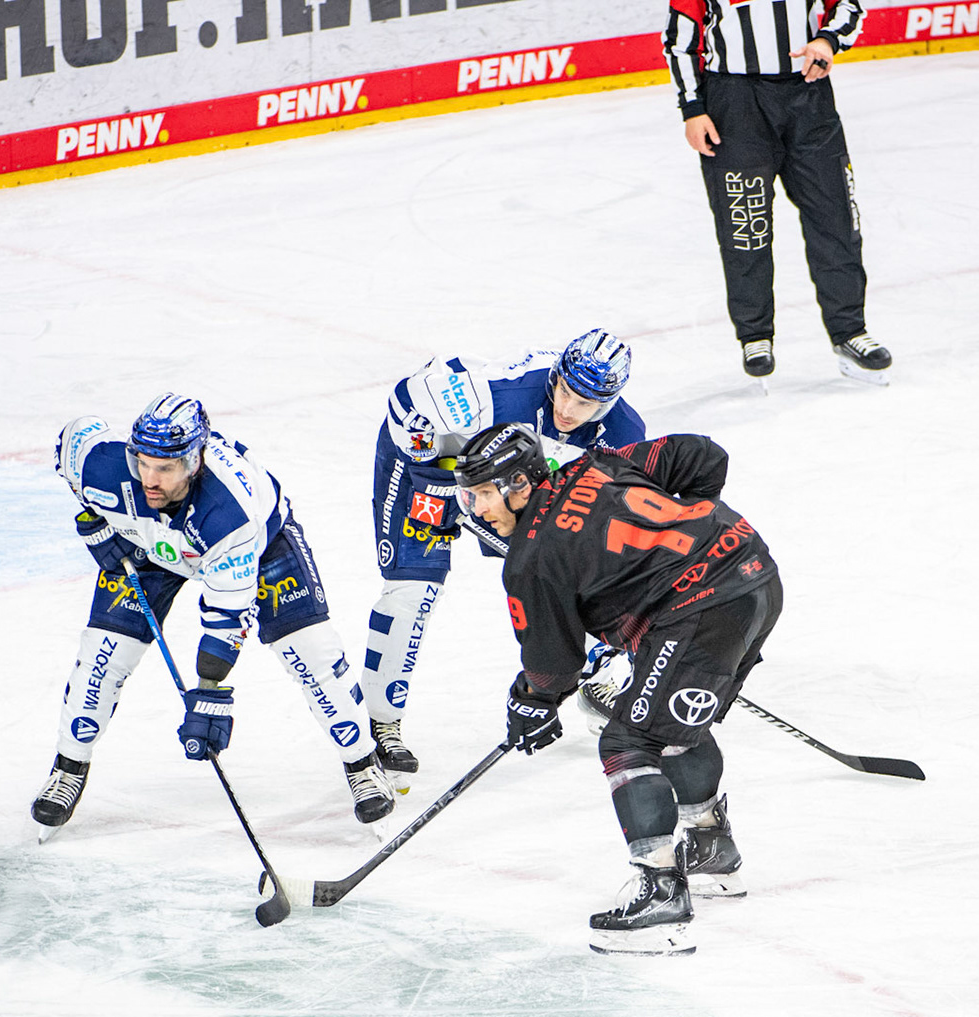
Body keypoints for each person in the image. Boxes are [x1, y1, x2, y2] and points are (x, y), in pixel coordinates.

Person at [457, 425, 782, 956]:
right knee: (669, 724)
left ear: (519, 484)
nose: (474, 508)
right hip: (754, 569)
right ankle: (711, 849)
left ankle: (662, 897)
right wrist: (684, 544)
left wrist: (531, 699)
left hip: (702, 609)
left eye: (483, 493)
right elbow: (700, 455)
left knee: (628, 742)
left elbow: (553, 665)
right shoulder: (597, 463)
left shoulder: (531, 556)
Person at [33, 395, 396, 833]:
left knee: (313, 654)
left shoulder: (229, 516)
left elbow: (227, 616)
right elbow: (73, 439)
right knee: (103, 657)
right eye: (142, 462)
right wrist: (94, 520)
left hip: (261, 548)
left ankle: (362, 763)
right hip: (150, 550)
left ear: (194, 462)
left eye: (164, 468)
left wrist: (209, 692)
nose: (149, 478)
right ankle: (69, 767)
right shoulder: (102, 465)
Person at [362, 330, 647, 783]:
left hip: (506, 495)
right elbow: (407, 397)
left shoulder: (625, 437)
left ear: (609, 403)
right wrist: (433, 467)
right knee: (412, 591)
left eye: (586, 404)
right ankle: (380, 723)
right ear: (555, 376)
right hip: (431, 474)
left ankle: (591, 676)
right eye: (566, 392)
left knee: (581, 574)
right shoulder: (504, 393)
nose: (568, 410)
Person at [663, 0, 892, 383]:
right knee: (745, 225)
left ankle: (849, 329)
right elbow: (679, 41)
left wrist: (827, 40)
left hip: (808, 98)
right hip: (734, 105)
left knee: (836, 216)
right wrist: (692, 108)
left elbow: (848, 6)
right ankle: (755, 335)